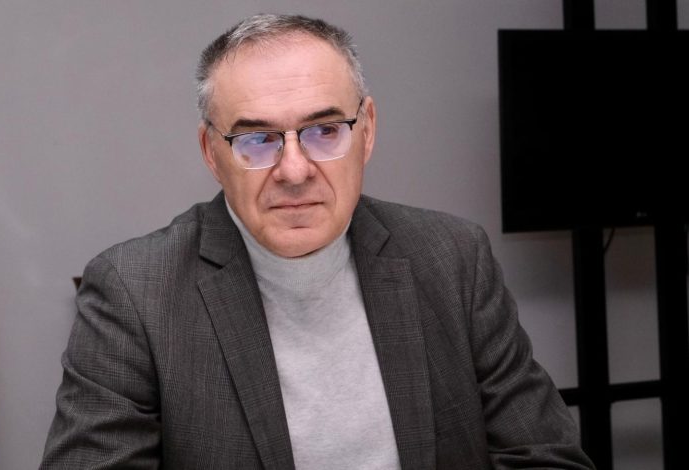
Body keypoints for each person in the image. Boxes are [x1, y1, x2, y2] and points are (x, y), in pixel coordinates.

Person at [41, 14, 594, 469]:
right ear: (212, 153)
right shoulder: (134, 293)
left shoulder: (452, 257)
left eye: (325, 131)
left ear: (367, 130)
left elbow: (545, 456)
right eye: (257, 139)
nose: (294, 170)